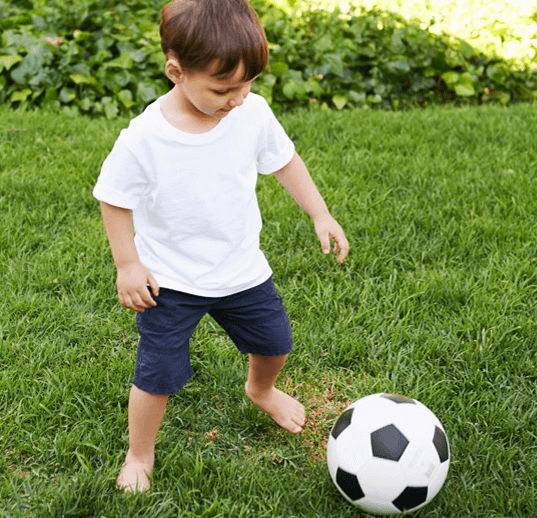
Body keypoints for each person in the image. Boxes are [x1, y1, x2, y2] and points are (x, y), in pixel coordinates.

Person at [93, 0, 349, 492]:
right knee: (157, 376)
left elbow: (285, 161)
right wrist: (128, 264)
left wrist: (320, 213)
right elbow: (113, 198)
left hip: (240, 269)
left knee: (275, 344)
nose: (237, 98)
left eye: (247, 84)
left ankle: (261, 390)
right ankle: (140, 454)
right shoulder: (145, 137)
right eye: (222, 89)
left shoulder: (251, 113)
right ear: (176, 72)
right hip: (170, 280)